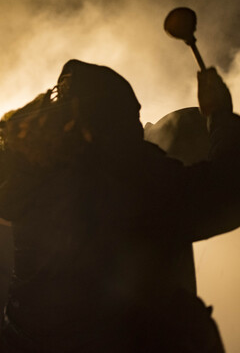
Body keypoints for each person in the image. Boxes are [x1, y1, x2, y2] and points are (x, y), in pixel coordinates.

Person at [0, 60, 239, 352]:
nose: (139, 128)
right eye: (132, 118)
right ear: (111, 122)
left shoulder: (38, 170)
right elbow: (226, 193)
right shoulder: (125, 180)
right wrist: (220, 115)